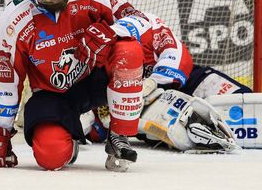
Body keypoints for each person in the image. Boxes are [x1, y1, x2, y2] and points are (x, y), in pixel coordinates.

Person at [0, 0, 152, 172]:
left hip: (96, 79)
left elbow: (141, 20)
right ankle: (70, 139)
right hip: (53, 94)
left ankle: (118, 136)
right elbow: (8, 80)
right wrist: (1, 132)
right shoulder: (14, 20)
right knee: (50, 157)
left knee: (128, 50)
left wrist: (112, 32)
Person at [83, 11, 253, 149]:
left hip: (185, 81)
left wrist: (152, 83)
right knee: (192, 134)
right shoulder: (83, 59)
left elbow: (178, 55)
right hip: (150, 111)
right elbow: (95, 125)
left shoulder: (140, 23)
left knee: (245, 100)